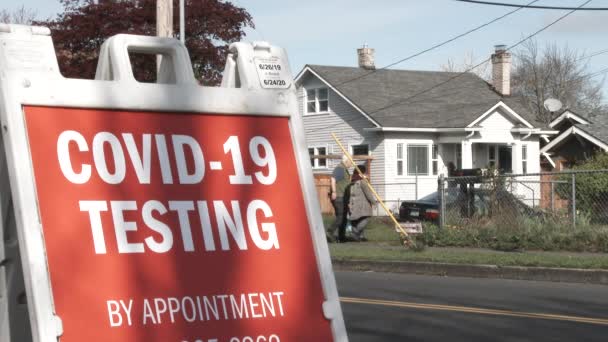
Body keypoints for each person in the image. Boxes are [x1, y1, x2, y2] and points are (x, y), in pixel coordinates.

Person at [345, 165, 375, 242]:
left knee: (356, 220)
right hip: (362, 204)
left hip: (353, 204)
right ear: (361, 173)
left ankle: (360, 236)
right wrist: (373, 202)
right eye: (365, 172)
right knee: (366, 217)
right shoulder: (362, 182)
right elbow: (368, 193)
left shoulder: (352, 181)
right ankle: (355, 233)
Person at [329, 155, 352, 242]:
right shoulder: (340, 169)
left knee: (343, 218)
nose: (352, 163)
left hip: (343, 197)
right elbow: (333, 179)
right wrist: (334, 192)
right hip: (339, 196)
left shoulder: (344, 170)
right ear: (346, 161)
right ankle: (330, 232)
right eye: (351, 161)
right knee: (340, 217)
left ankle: (341, 237)